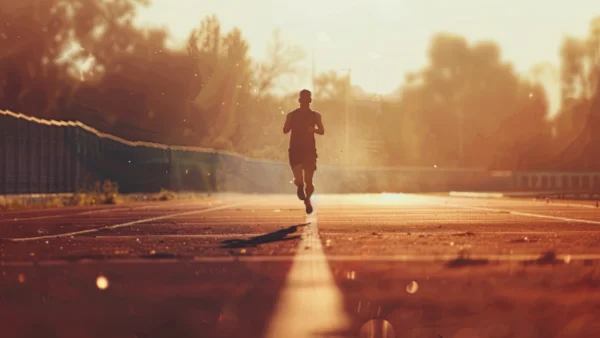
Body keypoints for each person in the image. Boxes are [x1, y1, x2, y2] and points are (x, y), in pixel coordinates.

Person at [283, 89, 325, 214]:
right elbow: (285, 130)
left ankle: (307, 200)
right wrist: (288, 124)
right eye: (304, 100)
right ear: (300, 100)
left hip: (309, 151)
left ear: (310, 101)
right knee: (300, 180)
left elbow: (322, 131)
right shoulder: (291, 115)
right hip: (295, 150)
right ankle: (300, 188)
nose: (305, 102)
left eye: (307, 100)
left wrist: (313, 130)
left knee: (309, 181)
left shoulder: (315, 116)